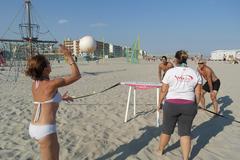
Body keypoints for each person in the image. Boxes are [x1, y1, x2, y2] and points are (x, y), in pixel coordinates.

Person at [25, 45, 81, 160]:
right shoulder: (52, 84)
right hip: (45, 129)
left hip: (33, 127)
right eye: (48, 63)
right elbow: (76, 75)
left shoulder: (35, 84)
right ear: (45, 69)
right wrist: (69, 57)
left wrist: (60, 98)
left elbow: (44, 100)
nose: (50, 64)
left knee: (55, 151)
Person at [156, 50, 202, 160]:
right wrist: (195, 104)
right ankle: (185, 158)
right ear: (186, 59)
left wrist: (159, 102)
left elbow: (163, 90)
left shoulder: (170, 72)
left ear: (176, 59)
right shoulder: (194, 73)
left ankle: (160, 150)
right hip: (189, 105)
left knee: (167, 130)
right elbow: (198, 92)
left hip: (171, 104)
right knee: (185, 133)